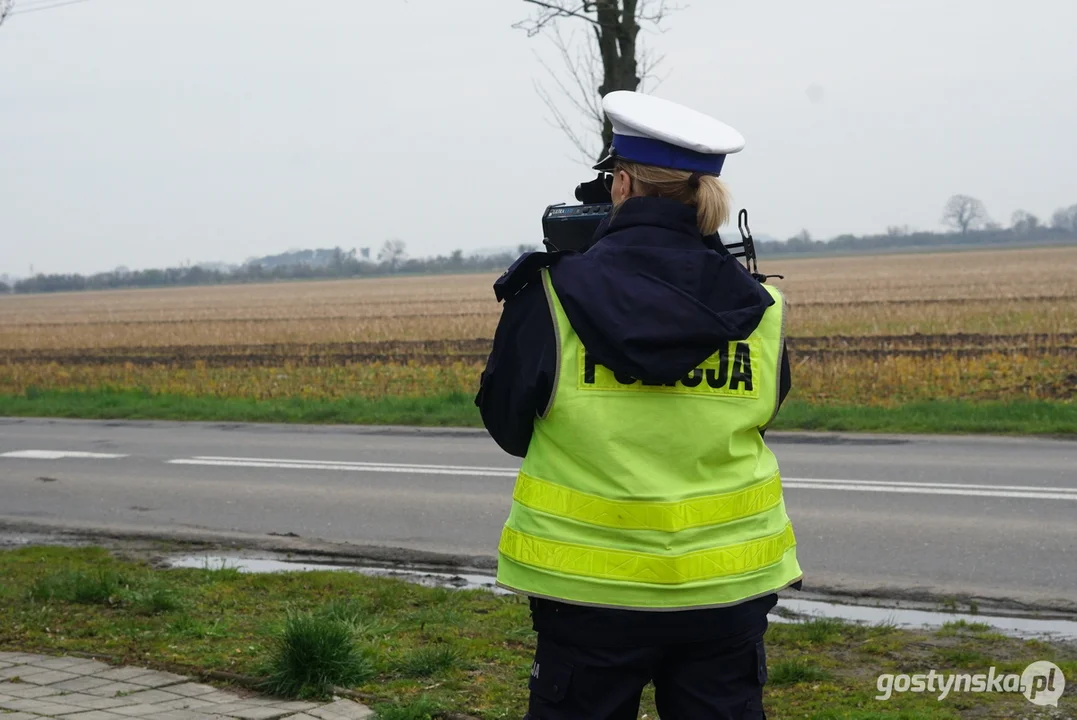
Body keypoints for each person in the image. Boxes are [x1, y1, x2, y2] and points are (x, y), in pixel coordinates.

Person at [475, 90, 802, 720]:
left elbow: (510, 426)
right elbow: (763, 412)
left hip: (587, 590)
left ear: (620, 184)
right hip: (726, 586)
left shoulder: (548, 293)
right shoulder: (761, 307)